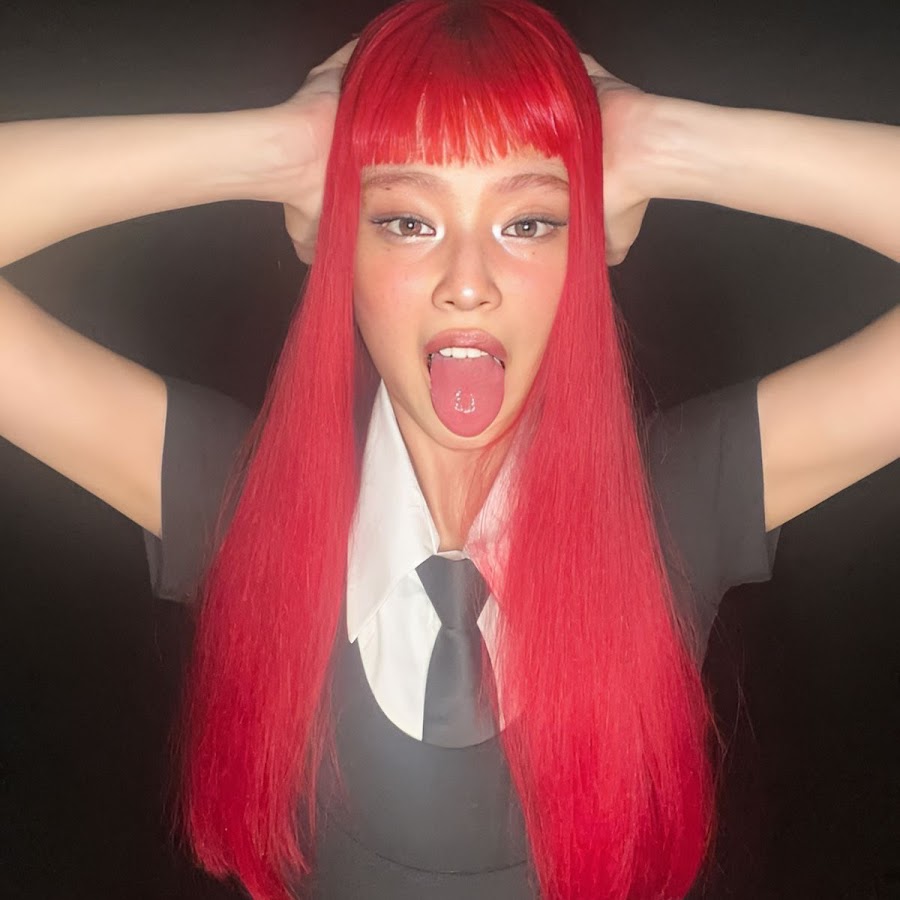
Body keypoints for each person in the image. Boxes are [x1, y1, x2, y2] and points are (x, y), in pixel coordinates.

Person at [0, 0, 897, 897]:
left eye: (529, 223)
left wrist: (663, 140)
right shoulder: (235, 500)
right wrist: (277, 148)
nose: (467, 284)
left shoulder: (676, 504)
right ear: (341, 248)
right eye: (406, 221)